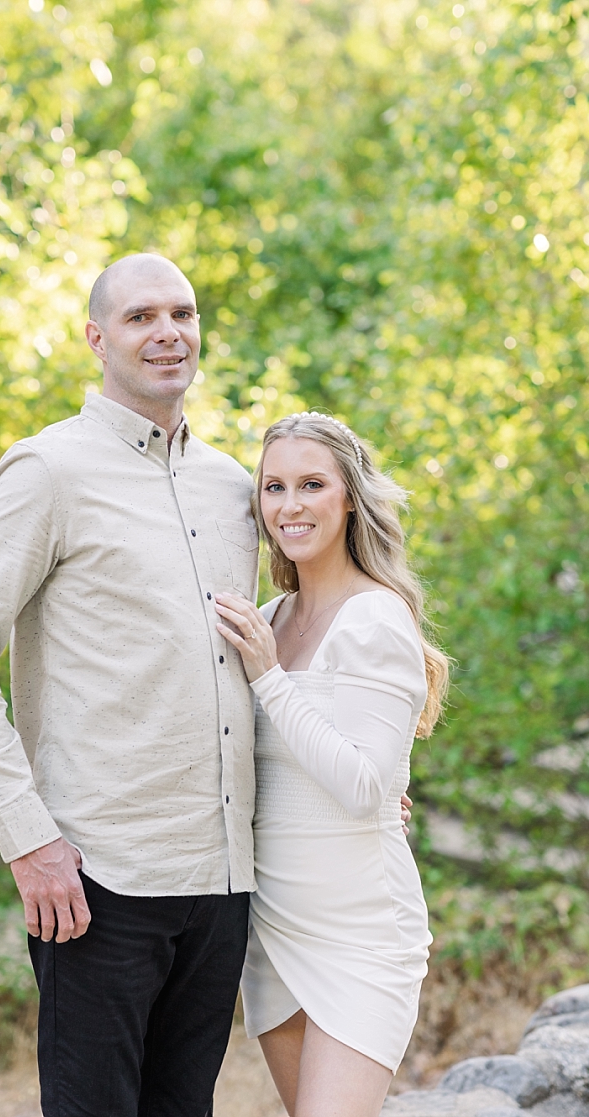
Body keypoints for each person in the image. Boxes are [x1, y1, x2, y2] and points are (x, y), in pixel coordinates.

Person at [0, 252, 261, 1116]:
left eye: (182, 314)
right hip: (98, 881)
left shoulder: (234, 488)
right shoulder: (47, 472)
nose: (168, 333)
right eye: (142, 317)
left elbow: (271, 657)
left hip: (222, 879)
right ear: (96, 337)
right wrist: (27, 837)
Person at [212, 412, 447, 1115]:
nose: (290, 505)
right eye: (273, 486)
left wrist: (267, 677)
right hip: (275, 929)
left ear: (349, 497)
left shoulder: (374, 617)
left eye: (312, 484)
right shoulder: (271, 616)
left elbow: (361, 785)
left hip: (359, 931)